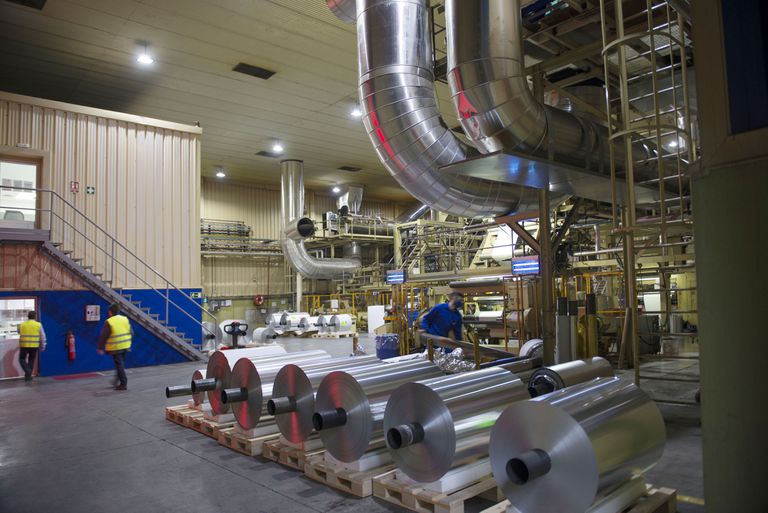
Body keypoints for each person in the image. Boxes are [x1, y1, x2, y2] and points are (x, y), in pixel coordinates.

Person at [97, 304, 133, 391]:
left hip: (116, 347)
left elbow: (104, 336)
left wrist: (100, 347)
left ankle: (123, 384)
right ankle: (116, 382)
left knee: (119, 365)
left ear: (110, 312)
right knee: (120, 364)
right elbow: (131, 332)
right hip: (126, 345)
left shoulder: (109, 322)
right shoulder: (124, 319)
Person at [18, 310, 46, 381]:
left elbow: (18, 332)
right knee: (31, 360)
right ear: (35, 317)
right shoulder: (38, 324)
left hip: (24, 345)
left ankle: (28, 373)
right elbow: (43, 336)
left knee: (22, 359)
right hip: (34, 345)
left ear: (28, 316)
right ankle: (28, 374)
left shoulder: (22, 324)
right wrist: (43, 346)